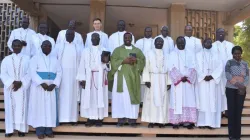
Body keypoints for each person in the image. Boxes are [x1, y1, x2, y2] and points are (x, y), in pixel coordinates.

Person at [109, 32, 145, 127]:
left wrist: (136, 61)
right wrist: (123, 61)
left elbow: (143, 61)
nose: (127, 39)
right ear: (123, 39)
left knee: (131, 97)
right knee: (120, 98)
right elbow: (112, 61)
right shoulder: (117, 50)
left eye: (129, 37)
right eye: (126, 37)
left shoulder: (137, 50)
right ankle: (120, 119)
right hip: (120, 78)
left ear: (132, 39)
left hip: (133, 78)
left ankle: (132, 120)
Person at [28, 40, 62, 139]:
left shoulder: (55, 59)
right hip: (39, 88)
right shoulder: (35, 58)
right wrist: (41, 83)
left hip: (51, 87)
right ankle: (40, 131)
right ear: (41, 47)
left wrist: (54, 84)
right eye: (45, 46)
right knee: (39, 109)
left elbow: (59, 73)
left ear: (51, 48)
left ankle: (49, 130)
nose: (47, 47)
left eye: (49, 46)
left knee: (50, 109)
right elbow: (32, 72)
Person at [77, 33, 110, 127]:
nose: (95, 39)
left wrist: (107, 63)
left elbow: (108, 66)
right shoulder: (85, 51)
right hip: (88, 76)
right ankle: (90, 118)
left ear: (100, 39)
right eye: (93, 38)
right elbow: (82, 65)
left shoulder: (104, 50)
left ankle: (99, 118)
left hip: (100, 76)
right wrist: (82, 79)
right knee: (89, 97)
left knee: (100, 96)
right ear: (90, 39)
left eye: (97, 38)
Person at [1, 39, 30, 137]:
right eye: (15, 46)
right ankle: (9, 130)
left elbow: (29, 73)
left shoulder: (27, 59)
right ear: (12, 47)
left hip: (22, 88)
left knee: (22, 109)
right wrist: (12, 82)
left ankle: (21, 130)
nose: (17, 47)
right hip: (10, 88)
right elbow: (3, 74)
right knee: (10, 109)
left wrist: (21, 82)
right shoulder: (6, 59)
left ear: (22, 47)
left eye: (19, 46)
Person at [141, 37, 171, 128]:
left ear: (163, 44)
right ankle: (151, 121)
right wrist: (146, 80)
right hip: (152, 78)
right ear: (154, 43)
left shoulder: (167, 54)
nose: (159, 43)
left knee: (163, 100)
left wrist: (169, 81)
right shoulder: (149, 53)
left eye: (161, 42)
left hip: (163, 78)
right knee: (151, 100)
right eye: (157, 42)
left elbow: (169, 69)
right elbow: (146, 66)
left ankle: (161, 121)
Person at [168, 36, 197, 129]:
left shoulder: (191, 54)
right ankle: (176, 121)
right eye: (179, 43)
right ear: (176, 43)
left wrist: (187, 77)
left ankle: (187, 121)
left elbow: (194, 66)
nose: (181, 44)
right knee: (177, 101)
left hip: (187, 82)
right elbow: (170, 67)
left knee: (187, 100)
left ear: (185, 43)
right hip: (178, 83)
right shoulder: (172, 54)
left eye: (182, 42)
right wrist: (179, 77)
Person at [196, 38, 223, 129]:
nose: (208, 43)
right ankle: (201, 123)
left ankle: (212, 123)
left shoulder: (217, 55)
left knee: (212, 101)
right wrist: (203, 76)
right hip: (202, 82)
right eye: (207, 42)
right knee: (202, 101)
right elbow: (196, 67)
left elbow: (220, 67)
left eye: (210, 42)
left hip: (212, 82)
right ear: (203, 43)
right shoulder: (198, 55)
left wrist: (212, 76)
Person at [56, 29, 82, 125]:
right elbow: (55, 61)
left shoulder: (78, 47)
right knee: (62, 97)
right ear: (65, 35)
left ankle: (73, 119)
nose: (70, 36)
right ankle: (62, 119)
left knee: (73, 97)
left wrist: (81, 77)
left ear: (74, 36)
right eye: (68, 34)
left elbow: (81, 62)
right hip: (62, 76)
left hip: (74, 76)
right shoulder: (59, 47)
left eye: (72, 34)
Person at [225, 46, 249, 140]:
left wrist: (243, 86)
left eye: (239, 53)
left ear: (241, 53)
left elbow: (247, 76)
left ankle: (237, 136)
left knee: (238, 113)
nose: (237, 55)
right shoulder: (229, 62)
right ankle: (231, 135)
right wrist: (238, 84)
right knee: (231, 112)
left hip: (241, 90)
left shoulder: (245, 64)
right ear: (232, 54)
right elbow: (227, 75)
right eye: (235, 53)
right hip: (231, 89)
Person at [212, 28, 234, 117]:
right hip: (216, 75)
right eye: (218, 32)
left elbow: (234, 58)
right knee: (217, 93)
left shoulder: (230, 45)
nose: (221, 33)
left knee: (228, 92)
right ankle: (219, 110)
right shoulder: (212, 46)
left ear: (225, 33)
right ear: (215, 33)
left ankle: (227, 110)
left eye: (222, 32)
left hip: (228, 73)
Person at [135, 27, 153, 102]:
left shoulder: (155, 41)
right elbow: (135, 53)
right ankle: (141, 102)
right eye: (146, 31)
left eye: (149, 31)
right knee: (141, 84)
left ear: (152, 32)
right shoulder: (139, 42)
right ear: (144, 32)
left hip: (151, 67)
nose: (148, 33)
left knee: (149, 84)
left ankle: (148, 102)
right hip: (140, 66)